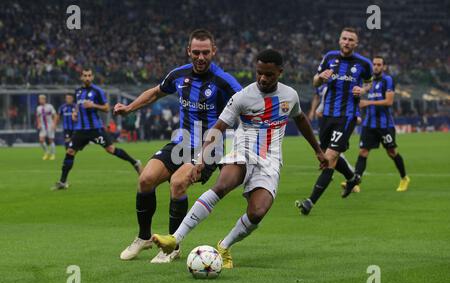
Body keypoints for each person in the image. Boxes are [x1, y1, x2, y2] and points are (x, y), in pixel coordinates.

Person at [151, 49, 327, 268]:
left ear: (280, 72)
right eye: (259, 73)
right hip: (242, 152)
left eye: (269, 74)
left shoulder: (290, 96)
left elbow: (301, 120)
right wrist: (201, 159)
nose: (262, 78)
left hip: (270, 162)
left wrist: (318, 151)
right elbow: (218, 127)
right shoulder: (243, 96)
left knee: (257, 213)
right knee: (221, 186)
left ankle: (224, 245)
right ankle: (175, 238)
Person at [113, 29, 242, 263]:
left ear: (214, 51)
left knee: (178, 183)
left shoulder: (224, 82)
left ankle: (172, 245)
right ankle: (143, 238)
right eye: (196, 52)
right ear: (188, 52)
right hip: (180, 142)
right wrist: (129, 108)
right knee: (145, 179)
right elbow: (155, 93)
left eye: (205, 52)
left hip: (208, 149)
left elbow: (248, 106)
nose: (200, 57)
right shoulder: (179, 75)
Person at [296, 27, 373, 215]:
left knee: (329, 158)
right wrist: (320, 78)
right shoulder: (329, 57)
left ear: (356, 43)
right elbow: (315, 81)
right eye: (344, 38)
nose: (347, 42)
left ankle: (309, 202)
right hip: (327, 115)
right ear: (339, 40)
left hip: (347, 116)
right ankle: (352, 178)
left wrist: (363, 90)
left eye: (351, 40)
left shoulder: (363, 63)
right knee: (326, 153)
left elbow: (369, 82)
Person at [52, 67, 142, 190]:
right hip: (80, 130)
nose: (87, 78)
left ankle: (135, 162)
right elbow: (78, 106)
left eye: (89, 75)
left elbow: (106, 108)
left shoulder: (97, 91)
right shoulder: (78, 91)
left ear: (92, 77)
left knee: (111, 149)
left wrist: (93, 105)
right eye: (85, 75)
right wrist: (74, 112)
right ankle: (63, 182)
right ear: (81, 77)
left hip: (95, 129)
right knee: (70, 152)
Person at [353, 56, 410, 191]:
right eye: (374, 64)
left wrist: (368, 102)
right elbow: (360, 93)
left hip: (385, 125)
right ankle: (355, 183)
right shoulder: (368, 81)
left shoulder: (387, 80)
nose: (376, 66)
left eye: (379, 64)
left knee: (391, 152)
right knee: (363, 152)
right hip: (368, 124)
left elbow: (389, 102)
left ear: (383, 66)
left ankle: (404, 178)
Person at [36, 95, 57, 160]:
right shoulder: (38, 108)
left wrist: (54, 124)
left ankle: (53, 154)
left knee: (51, 140)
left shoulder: (50, 106)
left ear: (45, 100)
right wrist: (39, 124)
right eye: (39, 99)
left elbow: (55, 115)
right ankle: (47, 152)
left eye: (42, 99)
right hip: (43, 126)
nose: (40, 100)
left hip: (50, 125)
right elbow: (38, 117)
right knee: (41, 140)